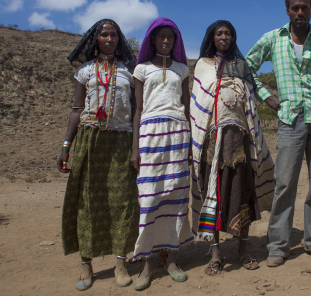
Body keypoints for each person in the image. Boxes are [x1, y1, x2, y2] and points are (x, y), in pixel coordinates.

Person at [245, 0, 311, 267]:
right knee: (285, 183)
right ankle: (278, 246)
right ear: (287, 10)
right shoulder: (273, 39)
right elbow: (247, 66)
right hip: (289, 118)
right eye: (295, 8)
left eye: (305, 8)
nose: (300, 12)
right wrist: (267, 97)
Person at [57, 19, 139, 291]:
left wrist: (137, 148)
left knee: (123, 202)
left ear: (119, 39)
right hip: (90, 140)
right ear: (95, 39)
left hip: (120, 142)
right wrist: (66, 146)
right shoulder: (85, 71)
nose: (109, 38)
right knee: (87, 202)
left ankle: (120, 264)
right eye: (104, 34)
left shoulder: (129, 71)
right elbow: (76, 109)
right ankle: (86, 265)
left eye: (114, 34)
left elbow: (136, 112)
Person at [190, 20, 275, 275]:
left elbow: (250, 101)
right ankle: (215, 253)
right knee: (212, 192)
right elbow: (198, 103)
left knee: (241, 191)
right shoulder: (202, 66)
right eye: (219, 33)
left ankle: (242, 249)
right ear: (212, 37)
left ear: (233, 37)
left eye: (228, 33)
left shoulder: (242, 66)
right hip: (211, 144)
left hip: (240, 142)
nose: (224, 37)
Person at [129, 17, 194, 289]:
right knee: (150, 197)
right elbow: (138, 110)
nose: (166, 40)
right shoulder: (141, 69)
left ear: (175, 41)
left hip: (178, 134)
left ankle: (171, 260)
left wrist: (190, 145)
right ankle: (147, 263)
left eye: (170, 37)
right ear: (152, 40)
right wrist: (135, 148)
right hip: (150, 136)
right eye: (161, 36)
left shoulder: (182, 69)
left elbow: (187, 108)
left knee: (177, 197)